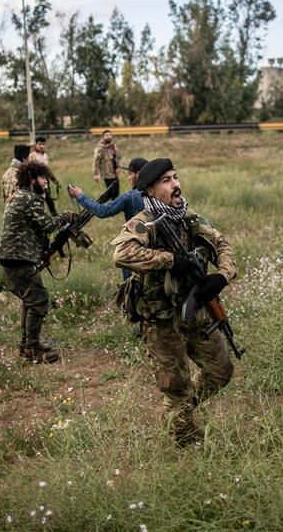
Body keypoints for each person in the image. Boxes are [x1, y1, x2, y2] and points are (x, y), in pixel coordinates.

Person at [111, 158, 236, 446]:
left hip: (195, 313)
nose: (175, 184)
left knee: (221, 371)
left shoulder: (188, 218)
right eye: (166, 180)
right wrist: (170, 261)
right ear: (151, 191)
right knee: (176, 388)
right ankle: (185, 441)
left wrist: (222, 276)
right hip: (162, 321)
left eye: (175, 177)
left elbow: (222, 244)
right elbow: (121, 254)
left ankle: (180, 412)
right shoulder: (144, 223)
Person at [0, 161, 75, 364]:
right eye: (43, 179)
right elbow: (48, 225)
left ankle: (28, 345)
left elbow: (37, 230)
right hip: (18, 259)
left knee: (29, 300)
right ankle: (32, 350)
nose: (46, 183)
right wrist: (65, 217)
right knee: (38, 301)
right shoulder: (29, 198)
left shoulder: (19, 196)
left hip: (14, 258)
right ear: (33, 180)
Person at [67, 157, 147, 280]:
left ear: (139, 174)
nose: (128, 178)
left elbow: (102, 211)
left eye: (130, 174)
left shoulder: (130, 197)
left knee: (132, 285)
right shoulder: (161, 193)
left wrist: (80, 196)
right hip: (156, 250)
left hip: (135, 249)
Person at [29, 136, 59, 215]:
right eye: (39, 144)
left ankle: (55, 218)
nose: (41, 146)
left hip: (45, 182)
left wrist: (54, 180)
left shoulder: (45, 156)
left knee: (50, 202)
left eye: (43, 144)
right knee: (40, 203)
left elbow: (47, 170)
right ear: (36, 145)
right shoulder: (32, 156)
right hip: (37, 184)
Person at [93, 130, 121, 201]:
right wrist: (96, 173)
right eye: (106, 135)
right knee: (111, 191)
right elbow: (96, 161)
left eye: (110, 135)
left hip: (115, 173)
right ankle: (98, 204)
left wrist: (118, 167)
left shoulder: (113, 146)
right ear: (103, 137)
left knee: (116, 192)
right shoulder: (100, 148)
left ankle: (114, 208)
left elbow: (118, 157)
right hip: (107, 173)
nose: (108, 137)